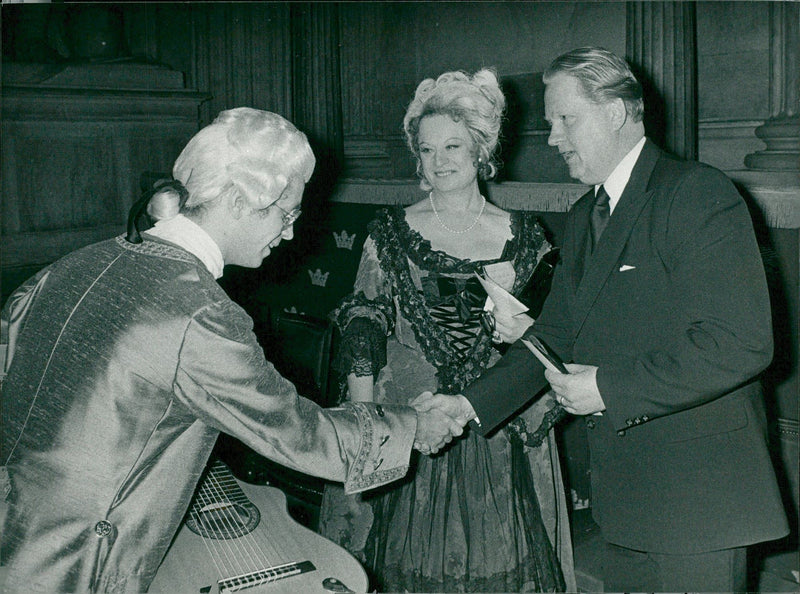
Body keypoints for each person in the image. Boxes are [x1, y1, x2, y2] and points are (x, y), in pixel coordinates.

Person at [0, 107, 467, 593]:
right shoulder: (197, 310)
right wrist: (413, 426)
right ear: (241, 200)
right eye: (286, 214)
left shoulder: (75, 262)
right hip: (81, 562)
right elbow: (294, 430)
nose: (288, 233)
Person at [417, 47, 790, 592]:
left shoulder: (694, 193)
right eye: (550, 123)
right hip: (633, 493)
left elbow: (741, 342)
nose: (553, 138)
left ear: (616, 112)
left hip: (703, 497)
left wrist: (607, 388)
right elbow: (555, 335)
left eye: (566, 119)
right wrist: (468, 404)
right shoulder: (584, 214)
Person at [318, 70, 575, 593]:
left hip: (500, 424)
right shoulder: (391, 231)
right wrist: (368, 421)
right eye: (428, 148)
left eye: (453, 145)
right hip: (411, 420)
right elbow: (364, 324)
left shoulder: (524, 235)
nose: (440, 160)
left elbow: (547, 336)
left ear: (482, 148)